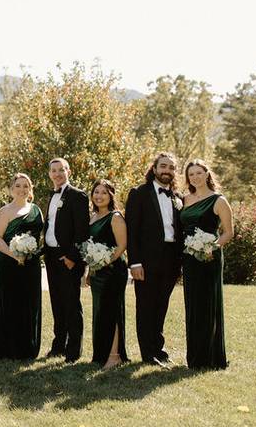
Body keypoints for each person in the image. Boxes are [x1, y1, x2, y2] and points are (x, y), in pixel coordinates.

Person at [126, 152, 183, 366]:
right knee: (146, 306)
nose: (166, 170)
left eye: (171, 167)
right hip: (146, 261)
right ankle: (147, 353)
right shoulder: (139, 193)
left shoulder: (178, 197)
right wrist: (135, 263)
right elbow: (132, 230)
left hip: (171, 260)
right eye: (163, 166)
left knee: (162, 305)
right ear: (155, 168)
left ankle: (158, 348)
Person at [181, 159, 233, 370]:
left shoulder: (218, 200)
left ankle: (211, 357)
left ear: (207, 174)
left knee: (208, 304)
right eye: (191, 174)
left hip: (209, 258)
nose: (195, 177)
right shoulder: (184, 199)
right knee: (193, 305)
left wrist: (211, 247)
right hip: (189, 259)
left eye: (198, 173)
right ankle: (195, 357)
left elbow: (228, 232)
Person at [0, 173, 44, 360]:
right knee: (10, 302)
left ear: (30, 189)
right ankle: (8, 349)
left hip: (31, 264)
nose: (22, 189)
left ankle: (28, 348)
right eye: (18, 186)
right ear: (11, 189)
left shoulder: (37, 210)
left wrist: (28, 253)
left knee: (30, 303)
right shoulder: (4, 212)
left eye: (26, 186)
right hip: (9, 263)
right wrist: (15, 254)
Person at [42, 158, 90, 362]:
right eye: (54, 170)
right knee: (57, 303)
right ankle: (59, 345)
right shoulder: (51, 196)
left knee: (71, 303)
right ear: (50, 174)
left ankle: (73, 350)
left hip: (68, 257)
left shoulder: (77, 196)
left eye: (61, 170)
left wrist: (72, 257)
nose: (57, 174)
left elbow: (81, 230)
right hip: (51, 256)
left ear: (68, 171)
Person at [86, 179, 129, 369]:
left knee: (112, 311)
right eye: (96, 192)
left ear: (111, 195)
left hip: (113, 270)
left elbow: (121, 246)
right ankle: (101, 354)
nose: (99, 196)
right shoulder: (92, 217)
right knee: (100, 311)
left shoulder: (115, 217)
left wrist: (104, 261)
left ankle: (114, 355)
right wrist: (91, 269)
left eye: (104, 192)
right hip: (97, 271)